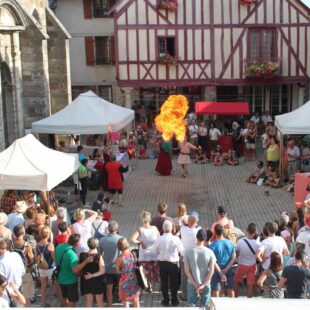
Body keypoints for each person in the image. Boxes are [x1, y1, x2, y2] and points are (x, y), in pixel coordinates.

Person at [55, 234, 93, 307]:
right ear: (77, 243)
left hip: (60, 278)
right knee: (71, 300)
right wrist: (86, 261)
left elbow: (55, 258)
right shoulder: (72, 254)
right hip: (70, 281)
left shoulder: (59, 246)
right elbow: (75, 270)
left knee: (64, 297)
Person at [152, 220, 184, 306]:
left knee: (164, 282)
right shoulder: (176, 239)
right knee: (174, 282)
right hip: (173, 264)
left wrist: (159, 252)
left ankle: (165, 300)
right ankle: (174, 300)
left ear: (163, 228)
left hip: (162, 264)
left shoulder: (159, 239)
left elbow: (153, 250)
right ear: (172, 229)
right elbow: (182, 251)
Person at [184, 229, 216, 308]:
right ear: (205, 238)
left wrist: (195, 284)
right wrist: (203, 284)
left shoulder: (188, 252)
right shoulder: (210, 252)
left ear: (196, 237)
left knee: (191, 306)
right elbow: (211, 271)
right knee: (205, 306)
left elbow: (187, 271)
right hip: (206, 283)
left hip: (192, 283)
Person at [130, 211, 160, 291]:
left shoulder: (140, 230)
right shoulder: (155, 228)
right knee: (154, 270)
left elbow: (132, 239)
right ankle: (155, 282)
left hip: (144, 255)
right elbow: (159, 239)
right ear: (150, 219)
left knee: (146, 271)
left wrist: (140, 242)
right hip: (154, 254)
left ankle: (149, 285)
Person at [98, 220, 122, 307]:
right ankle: (123, 302)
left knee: (109, 289)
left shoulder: (102, 240)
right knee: (121, 286)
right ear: (117, 228)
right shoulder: (120, 239)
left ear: (108, 229)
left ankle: (110, 305)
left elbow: (99, 254)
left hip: (107, 269)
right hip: (118, 268)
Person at [234, 223, 261, 298]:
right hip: (252, 265)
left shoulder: (240, 242)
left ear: (247, 231)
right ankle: (249, 300)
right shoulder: (258, 244)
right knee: (250, 283)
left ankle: (235, 298)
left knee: (236, 281)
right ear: (255, 232)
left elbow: (237, 253)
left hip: (242, 264)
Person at [209, 224, 236, 298]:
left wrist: (221, 272)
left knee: (216, 290)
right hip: (229, 269)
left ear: (215, 232)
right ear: (223, 232)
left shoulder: (212, 245)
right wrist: (227, 268)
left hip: (217, 270)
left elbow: (213, 261)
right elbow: (234, 257)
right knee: (230, 289)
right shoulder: (230, 243)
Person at [11, 225, 35, 306]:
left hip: (14, 272)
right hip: (25, 271)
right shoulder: (27, 245)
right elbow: (31, 259)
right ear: (23, 233)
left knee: (17, 296)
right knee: (27, 296)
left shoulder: (11, 243)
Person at [180, 214, 201, 300]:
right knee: (195, 276)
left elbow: (182, 221)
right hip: (194, 257)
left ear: (188, 222)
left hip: (184, 256)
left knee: (184, 276)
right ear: (196, 222)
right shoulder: (198, 231)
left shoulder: (182, 229)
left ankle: (184, 295)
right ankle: (196, 294)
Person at [79, 238, 105, 307]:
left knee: (88, 300)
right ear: (97, 245)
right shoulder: (98, 256)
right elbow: (102, 271)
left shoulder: (82, 255)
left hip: (86, 280)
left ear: (88, 244)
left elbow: (80, 267)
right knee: (99, 301)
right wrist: (92, 275)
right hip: (97, 281)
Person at [116, 238, 140, 308]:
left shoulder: (119, 258)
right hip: (134, 279)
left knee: (125, 300)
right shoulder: (133, 253)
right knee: (136, 299)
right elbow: (135, 263)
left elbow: (117, 270)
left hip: (124, 281)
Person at [36, 226, 56, 307]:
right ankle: (62, 301)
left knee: (43, 286)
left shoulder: (37, 245)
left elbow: (36, 257)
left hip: (41, 268)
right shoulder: (50, 245)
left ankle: (43, 303)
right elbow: (54, 258)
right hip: (50, 268)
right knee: (56, 285)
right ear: (48, 235)